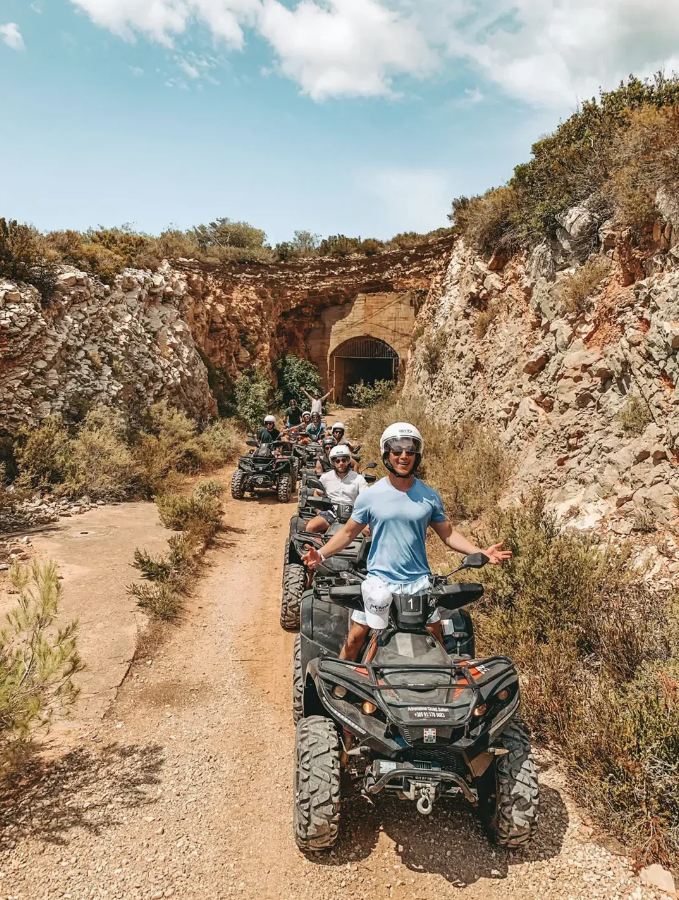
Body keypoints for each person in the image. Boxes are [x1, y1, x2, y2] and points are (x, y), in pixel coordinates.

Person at [303, 422, 511, 660]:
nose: (404, 456)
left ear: (417, 455)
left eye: (410, 450)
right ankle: (343, 681)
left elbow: (448, 534)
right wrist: (321, 554)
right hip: (379, 582)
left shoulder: (429, 496)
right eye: (397, 449)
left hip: (419, 584)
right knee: (354, 639)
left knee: (438, 646)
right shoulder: (370, 495)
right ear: (387, 454)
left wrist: (480, 552)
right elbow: (349, 532)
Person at [305, 445, 368, 534]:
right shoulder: (325, 477)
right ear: (333, 462)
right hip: (331, 513)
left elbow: (366, 498)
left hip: (353, 515)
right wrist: (319, 510)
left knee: (368, 531)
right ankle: (319, 543)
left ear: (348, 461)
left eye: (344, 460)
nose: (341, 463)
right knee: (311, 527)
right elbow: (317, 492)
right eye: (337, 461)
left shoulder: (359, 478)